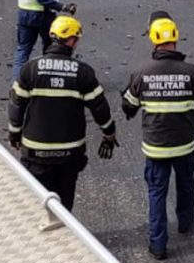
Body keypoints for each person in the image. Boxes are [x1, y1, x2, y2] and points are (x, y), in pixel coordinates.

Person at [122, 12, 194, 260]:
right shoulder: (192, 73)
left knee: (156, 193)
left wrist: (131, 108)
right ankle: (186, 222)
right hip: (184, 146)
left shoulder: (142, 73)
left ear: (153, 39)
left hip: (155, 148)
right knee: (185, 183)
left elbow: (128, 105)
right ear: (176, 38)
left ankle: (158, 245)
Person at [7, 15, 117, 212]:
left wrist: (14, 133)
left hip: (35, 152)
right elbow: (100, 108)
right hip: (70, 154)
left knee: (38, 203)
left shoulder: (30, 69)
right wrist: (109, 134)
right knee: (65, 205)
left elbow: (16, 105)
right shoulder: (82, 72)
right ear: (72, 40)